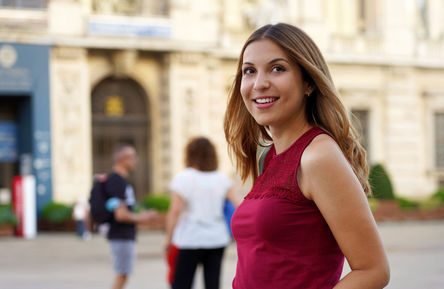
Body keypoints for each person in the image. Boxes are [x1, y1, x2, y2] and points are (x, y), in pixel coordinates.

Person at [223, 23, 390, 288]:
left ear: (309, 82)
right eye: (249, 71)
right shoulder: (271, 157)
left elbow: (373, 270)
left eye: (277, 68)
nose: (259, 83)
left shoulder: (318, 155)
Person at [165, 137, 240, 289]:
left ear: (189, 154)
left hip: (189, 238)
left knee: (181, 283)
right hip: (216, 238)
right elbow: (240, 206)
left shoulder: (183, 178)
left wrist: (168, 239)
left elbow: (175, 210)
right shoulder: (222, 179)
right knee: (212, 283)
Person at [105, 144, 158, 289]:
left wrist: (141, 215)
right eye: (133, 157)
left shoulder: (119, 181)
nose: (136, 160)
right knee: (122, 275)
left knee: (123, 274)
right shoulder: (117, 181)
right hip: (121, 235)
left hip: (122, 235)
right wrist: (144, 218)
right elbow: (121, 215)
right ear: (123, 159)